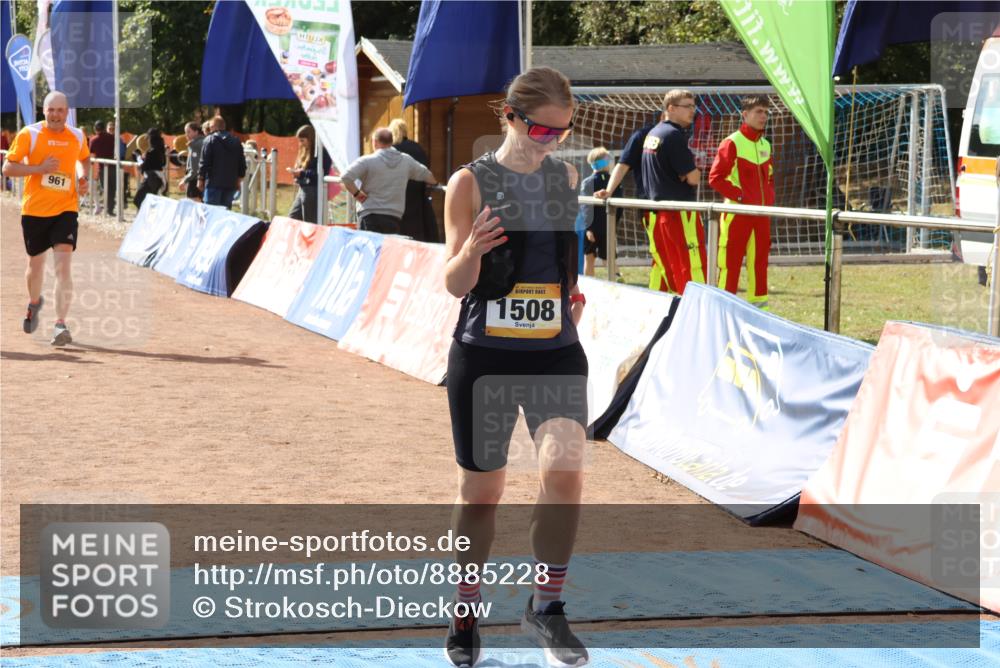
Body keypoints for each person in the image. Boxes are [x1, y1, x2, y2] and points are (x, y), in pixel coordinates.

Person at [443, 66, 589, 668]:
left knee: (565, 470)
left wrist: (569, 300)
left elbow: (561, 256)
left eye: (562, 131)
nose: (551, 141)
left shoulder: (566, 176)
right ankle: (465, 607)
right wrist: (473, 251)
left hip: (555, 350)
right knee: (483, 493)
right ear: (509, 116)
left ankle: (546, 607)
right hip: (485, 356)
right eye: (541, 130)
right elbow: (453, 284)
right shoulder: (468, 182)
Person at [2, 91, 90, 346]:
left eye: (60, 110)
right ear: (44, 111)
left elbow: (84, 157)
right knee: (36, 265)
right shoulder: (29, 134)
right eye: (51, 110)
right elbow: (8, 167)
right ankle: (33, 302)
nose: (55, 115)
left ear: (67, 112)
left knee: (63, 266)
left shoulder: (76, 135)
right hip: (35, 210)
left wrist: (83, 178)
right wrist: (38, 169)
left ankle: (60, 324)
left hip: (66, 209)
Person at [709, 94, 775, 309]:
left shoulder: (766, 144)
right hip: (736, 215)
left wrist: (769, 202)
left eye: (766, 112)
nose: (763, 116)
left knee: (759, 264)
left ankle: (760, 310)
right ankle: (722, 309)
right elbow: (715, 178)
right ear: (745, 114)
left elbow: (770, 178)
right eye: (758, 111)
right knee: (729, 264)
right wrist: (741, 197)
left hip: (762, 217)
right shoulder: (731, 142)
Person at [641, 89, 706, 294]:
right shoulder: (674, 135)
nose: (692, 111)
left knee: (666, 268)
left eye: (694, 107)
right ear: (671, 108)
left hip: (658, 213)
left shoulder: (654, 133)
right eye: (687, 106)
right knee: (691, 266)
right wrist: (689, 173)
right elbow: (694, 178)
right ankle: (696, 313)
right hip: (679, 214)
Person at [594, 114, 659, 278]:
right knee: (592, 255)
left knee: (610, 250)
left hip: (610, 224)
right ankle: (598, 275)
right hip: (597, 225)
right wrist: (589, 227)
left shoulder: (680, 134)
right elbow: (622, 166)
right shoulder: (593, 181)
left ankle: (615, 273)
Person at [340, 127, 437, 234]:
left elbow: (345, 177)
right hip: (393, 217)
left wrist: (357, 194)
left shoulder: (367, 161)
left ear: (374, 142)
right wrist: (436, 184)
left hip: (369, 215)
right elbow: (428, 176)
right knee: (387, 250)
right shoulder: (406, 161)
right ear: (391, 142)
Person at [389, 118, 438, 242]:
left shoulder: (391, 150)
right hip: (417, 197)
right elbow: (426, 169)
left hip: (396, 197)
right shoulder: (417, 148)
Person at [578, 147, 620, 276]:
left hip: (592, 228)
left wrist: (589, 228)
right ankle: (617, 281)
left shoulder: (587, 182)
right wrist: (614, 223)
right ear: (606, 163)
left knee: (589, 258)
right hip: (608, 226)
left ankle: (589, 287)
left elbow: (585, 207)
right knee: (609, 259)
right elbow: (619, 207)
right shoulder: (614, 182)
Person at [197, 115, 246, 210]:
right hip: (230, 184)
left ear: (214, 127)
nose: (210, 129)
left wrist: (200, 179)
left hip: (213, 183)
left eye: (210, 127)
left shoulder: (209, 140)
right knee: (226, 212)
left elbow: (204, 162)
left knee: (211, 212)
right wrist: (238, 181)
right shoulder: (236, 141)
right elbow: (242, 164)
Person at [287, 124, 332, 224]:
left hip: (313, 190)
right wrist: (297, 173)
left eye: (302, 140)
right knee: (292, 219)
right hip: (303, 189)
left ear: (310, 138)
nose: (300, 143)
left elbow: (320, 172)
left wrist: (302, 173)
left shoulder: (321, 152)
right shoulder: (305, 151)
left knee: (310, 223)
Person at [88, 120, 116, 215]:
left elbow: (92, 155)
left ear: (95, 129)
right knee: (112, 188)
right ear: (104, 128)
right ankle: (110, 209)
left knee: (106, 188)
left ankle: (108, 209)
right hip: (113, 164)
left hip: (102, 166)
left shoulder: (93, 140)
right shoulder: (112, 138)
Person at [178, 121, 205, 201]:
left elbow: (195, 169)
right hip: (203, 179)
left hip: (194, 180)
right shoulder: (204, 141)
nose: (186, 135)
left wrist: (184, 180)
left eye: (188, 132)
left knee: (192, 207)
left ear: (196, 132)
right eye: (185, 132)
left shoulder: (195, 145)